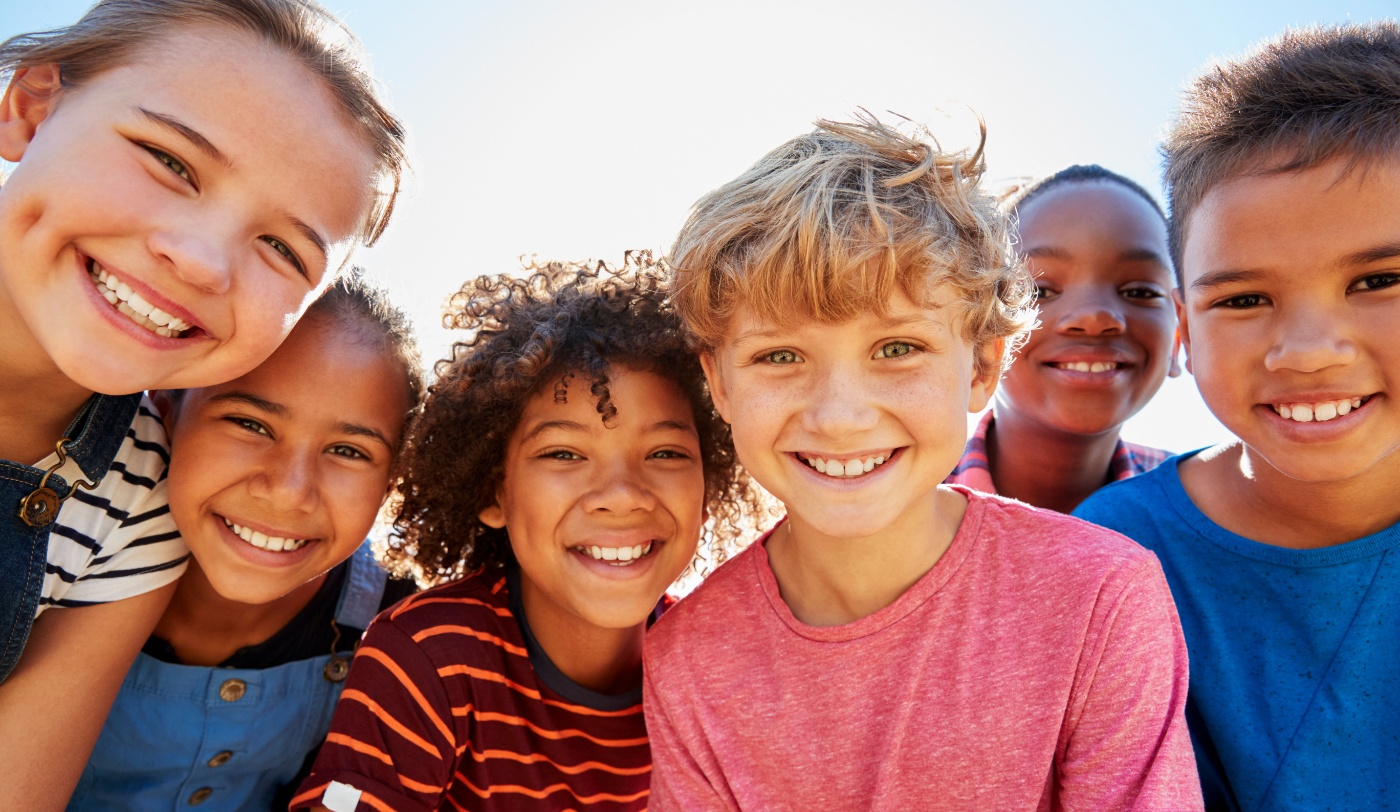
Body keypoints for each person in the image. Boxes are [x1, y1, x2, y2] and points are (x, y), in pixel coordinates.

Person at [646, 114, 1202, 810]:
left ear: (982, 365)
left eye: (896, 349)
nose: (841, 415)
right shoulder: (687, 658)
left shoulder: (1104, 597)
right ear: (720, 383)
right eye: (780, 356)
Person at [0, 0, 405, 805]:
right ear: (32, 107)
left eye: (283, 249)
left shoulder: (140, 502)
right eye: (170, 161)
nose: (199, 261)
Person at [291, 255, 759, 812]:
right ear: (496, 493)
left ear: (707, 488)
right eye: (564, 452)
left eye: (665, 452)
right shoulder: (431, 655)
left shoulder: (723, 673)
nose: (622, 492)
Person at [1074, 22, 1400, 811]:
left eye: (1380, 279)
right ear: (1184, 333)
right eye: (1245, 299)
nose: (1308, 351)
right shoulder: (1115, 560)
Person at [66, 271, 421, 810]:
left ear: (394, 477)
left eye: (349, 451)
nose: (288, 492)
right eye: (250, 424)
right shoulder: (57, 551)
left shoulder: (400, 628)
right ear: (164, 405)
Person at [947, 164, 1178, 512]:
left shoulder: (1211, 514)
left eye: (1140, 291)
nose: (1094, 317)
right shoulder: (895, 504)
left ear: (1178, 339)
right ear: (981, 335)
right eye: (1039, 290)